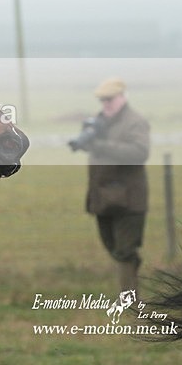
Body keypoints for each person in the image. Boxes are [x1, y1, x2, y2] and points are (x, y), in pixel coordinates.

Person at [69, 77, 150, 297]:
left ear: (123, 97)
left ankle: (129, 299)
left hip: (129, 199)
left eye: (110, 99)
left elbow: (139, 153)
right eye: (103, 100)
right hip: (103, 197)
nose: (106, 104)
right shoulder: (98, 121)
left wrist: (101, 146)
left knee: (124, 251)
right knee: (113, 248)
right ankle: (132, 278)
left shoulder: (135, 122)